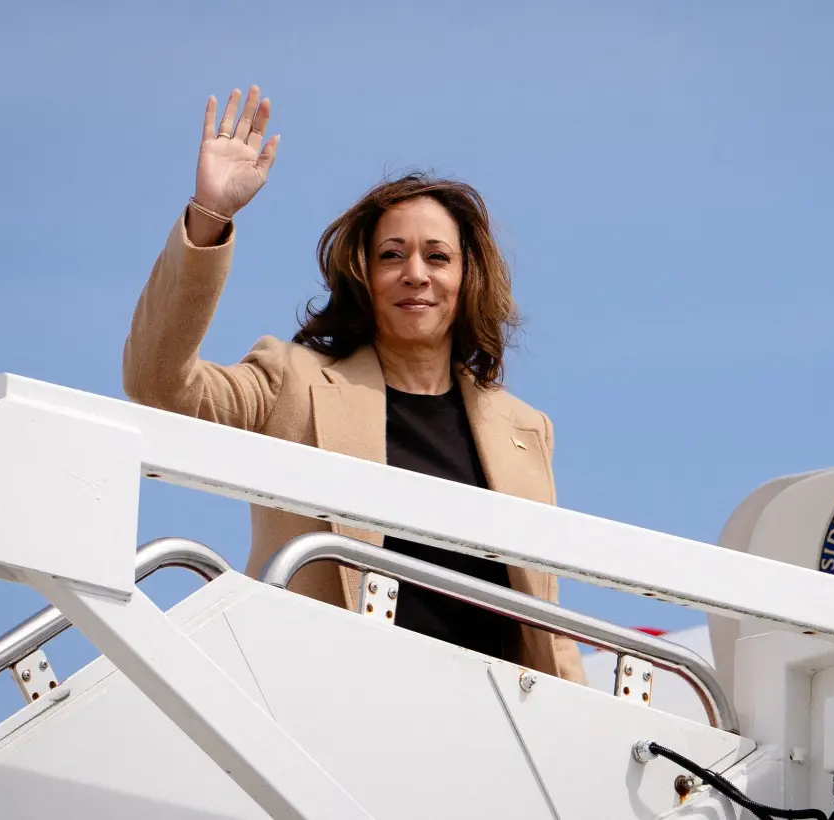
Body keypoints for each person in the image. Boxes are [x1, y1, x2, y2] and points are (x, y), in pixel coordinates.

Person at [123, 85, 585, 684]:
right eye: (392, 255)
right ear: (363, 275)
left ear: (467, 277)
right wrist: (210, 218)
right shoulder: (292, 380)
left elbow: (545, 622)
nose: (415, 273)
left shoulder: (524, 429)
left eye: (437, 256)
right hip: (336, 703)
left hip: (497, 723)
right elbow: (159, 382)